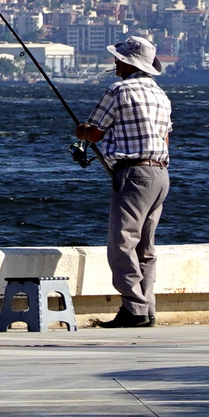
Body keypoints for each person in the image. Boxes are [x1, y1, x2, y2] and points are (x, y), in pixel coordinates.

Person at [73, 35, 172, 329]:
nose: (115, 64)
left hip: (133, 174)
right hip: (160, 174)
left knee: (122, 243)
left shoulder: (118, 91)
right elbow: (165, 138)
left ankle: (134, 308)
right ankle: (148, 306)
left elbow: (95, 134)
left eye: (119, 59)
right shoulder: (161, 95)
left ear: (127, 63)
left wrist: (81, 132)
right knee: (146, 246)